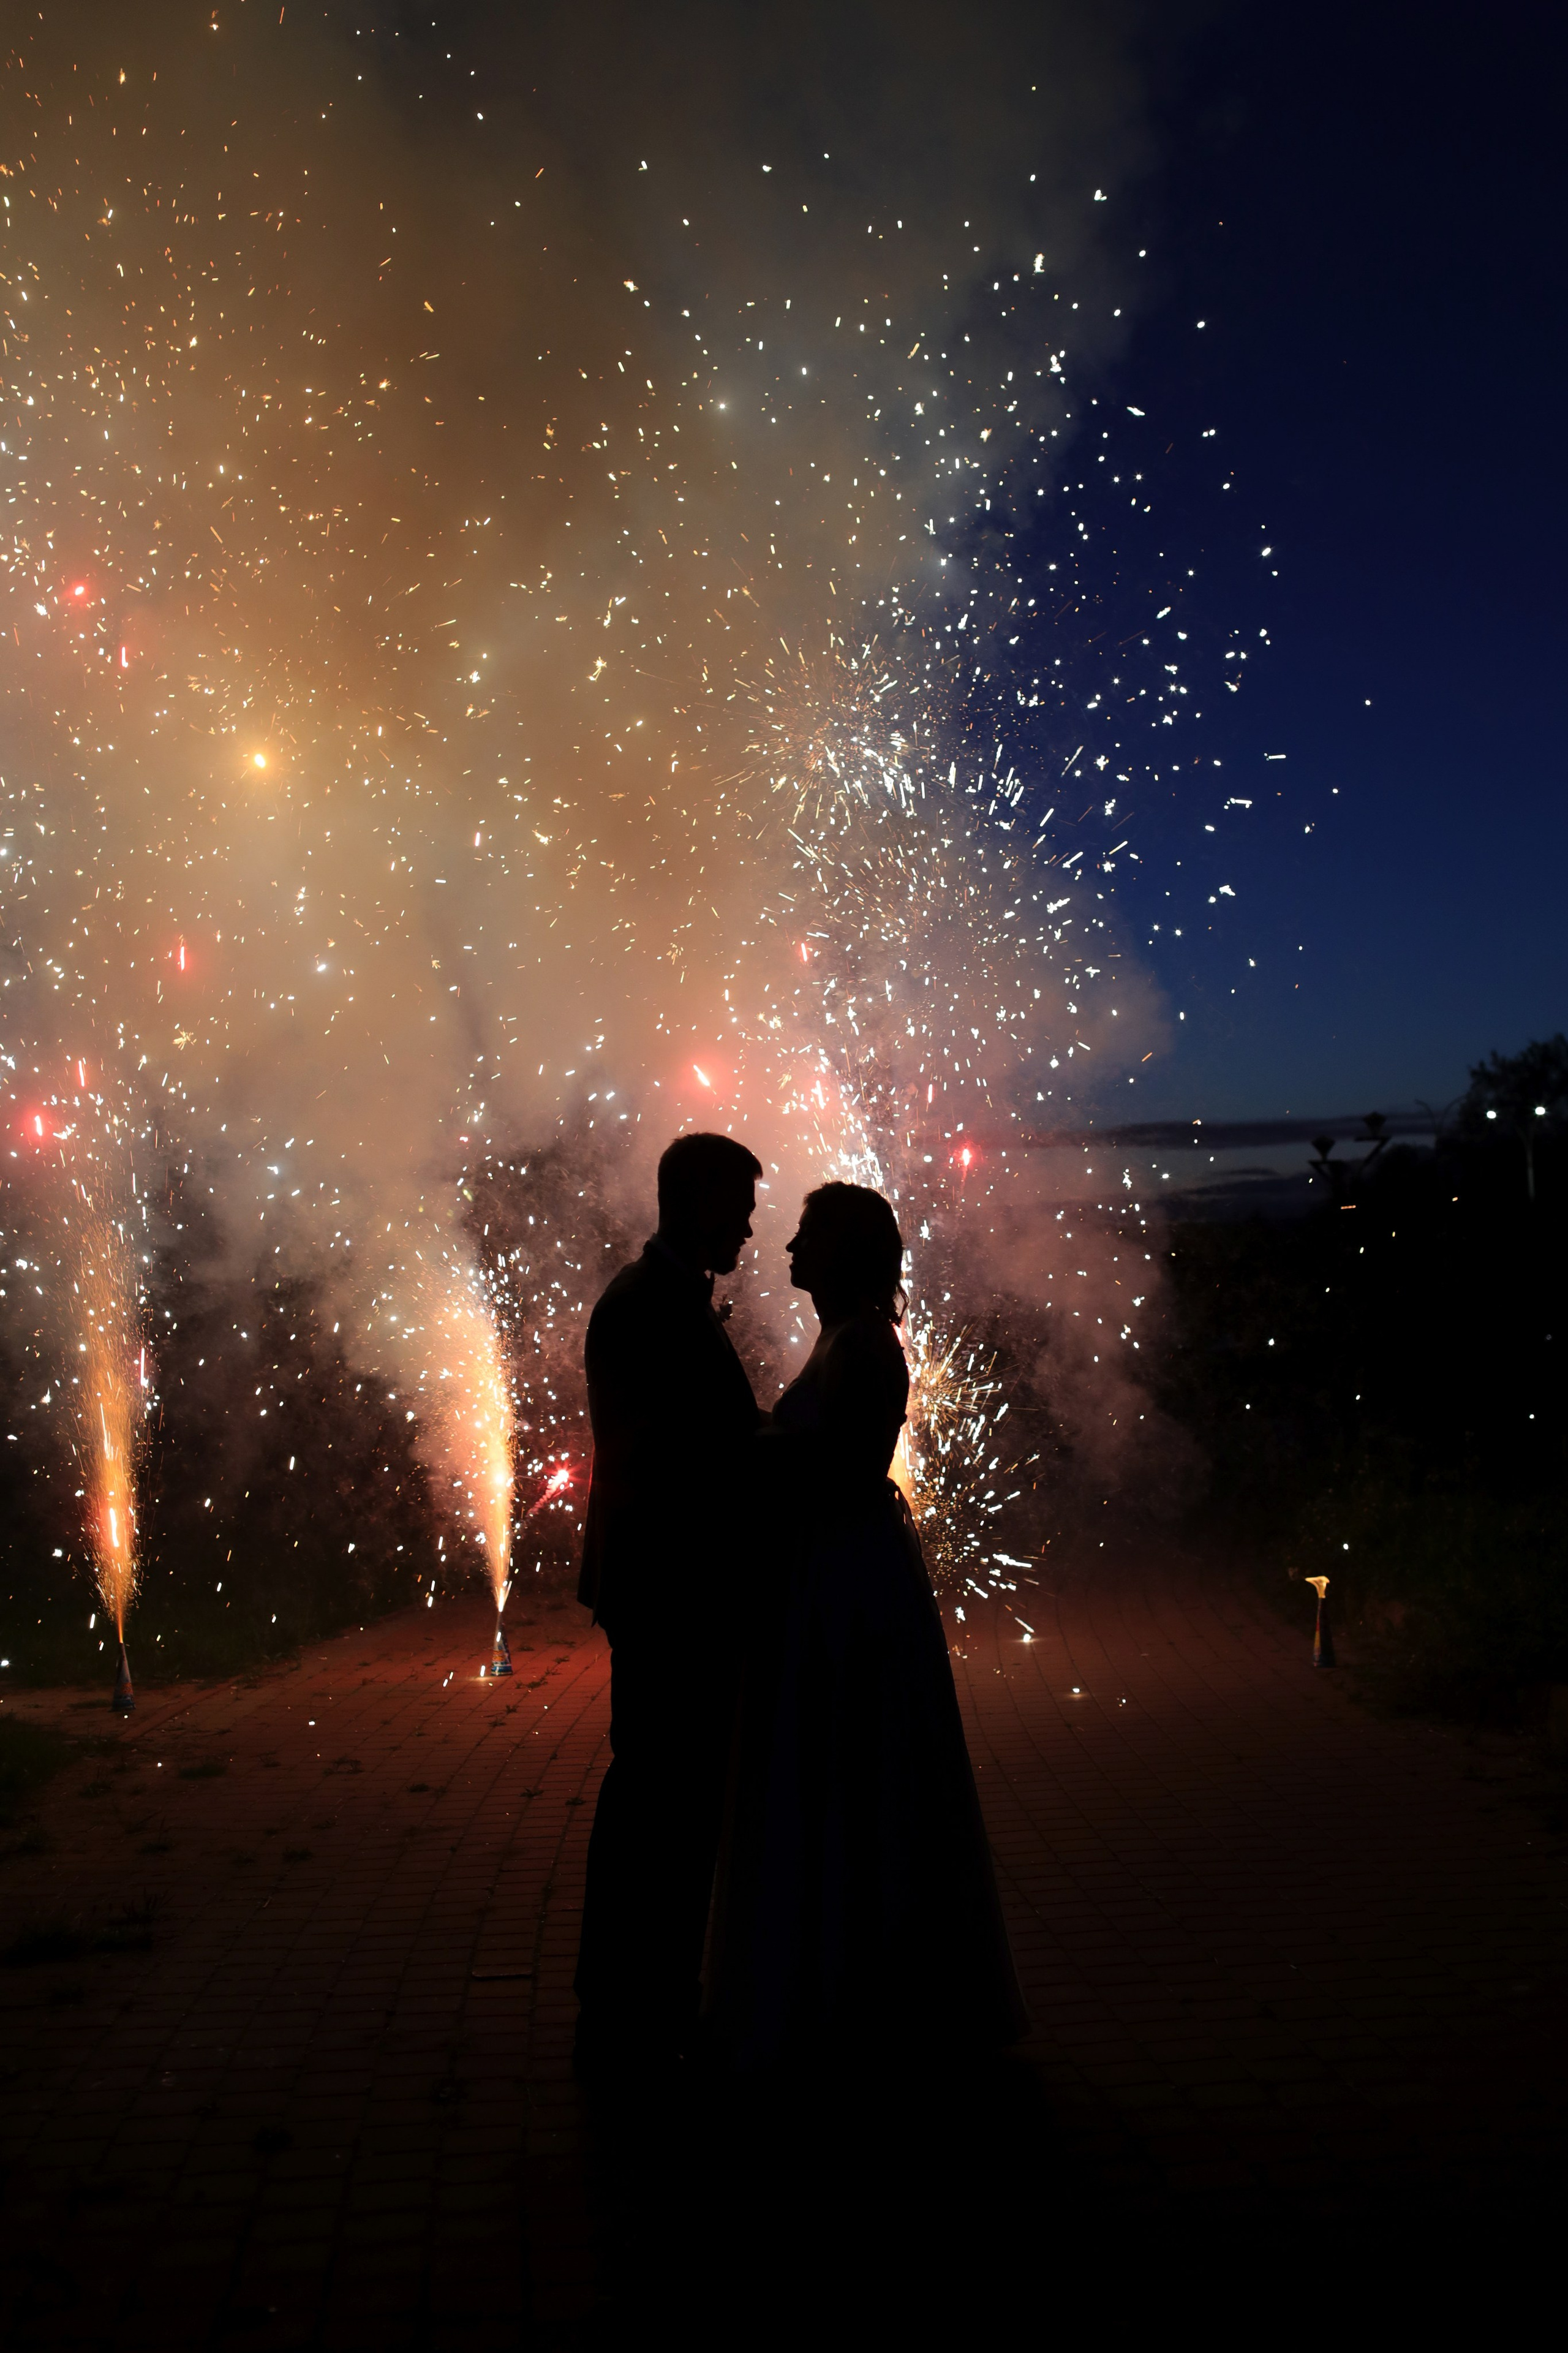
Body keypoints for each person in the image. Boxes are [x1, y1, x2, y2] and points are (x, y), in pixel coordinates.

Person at [704, 1180, 1028, 2070]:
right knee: (848, 1759)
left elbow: (835, 1464)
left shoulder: (861, 1345)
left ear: (844, 1250)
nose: (788, 1249)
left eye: (806, 1236)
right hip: (842, 1562)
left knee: (847, 1753)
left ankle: (848, 1985)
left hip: (845, 1574)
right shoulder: (847, 1337)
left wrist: (738, 1439)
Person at [574, 1130, 763, 2076]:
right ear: (698, 1204)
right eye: (741, 1209)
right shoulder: (651, 1306)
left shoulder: (663, 1297)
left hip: (666, 1584)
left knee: (664, 1794)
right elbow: (676, 1456)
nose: (751, 1229)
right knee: (663, 1798)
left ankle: (636, 2000)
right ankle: (635, 2007)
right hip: (668, 1590)